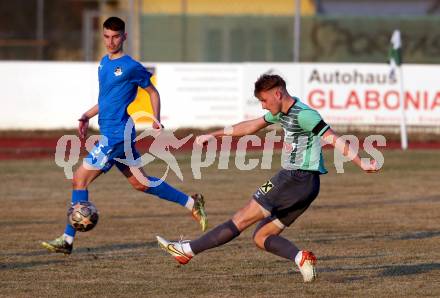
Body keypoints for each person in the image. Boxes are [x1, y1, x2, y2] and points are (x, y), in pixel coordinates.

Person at [156, 74, 379, 282]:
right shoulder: (281, 112)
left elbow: (333, 138)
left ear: (277, 94)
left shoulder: (305, 114)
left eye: (264, 100)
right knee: (262, 236)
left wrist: (361, 162)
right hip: (307, 186)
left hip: (294, 178)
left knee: (241, 218)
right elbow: (251, 126)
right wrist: (213, 135)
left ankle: (186, 251)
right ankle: (301, 257)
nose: (263, 105)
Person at [42, 17, 207, 255]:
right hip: (116, 132)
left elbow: (152, 91)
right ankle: (192, 203)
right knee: (140, 183)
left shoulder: (131, 66)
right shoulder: (103, 63)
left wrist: (155, 118)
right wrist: (87, 115)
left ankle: (67, 240)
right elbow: (106, 99)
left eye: (116, 36)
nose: (111, 41)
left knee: (79, 179)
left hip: (117, 135)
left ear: (124, 37)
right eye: (107, 36)